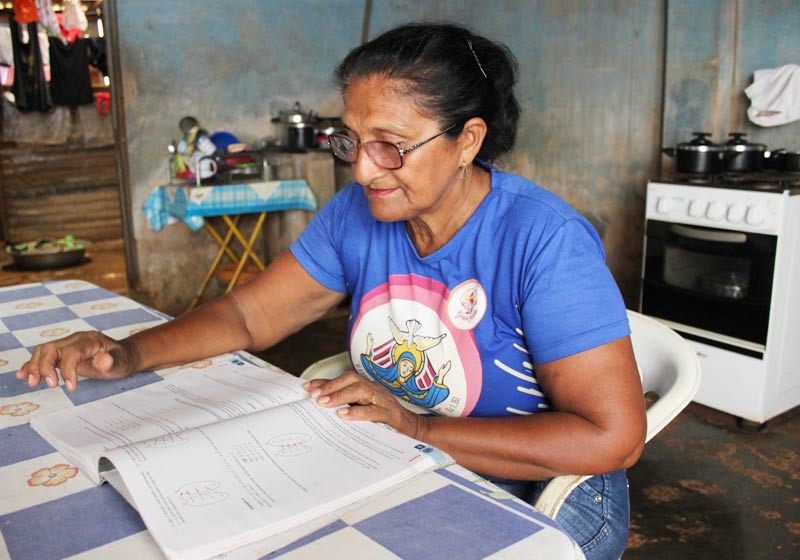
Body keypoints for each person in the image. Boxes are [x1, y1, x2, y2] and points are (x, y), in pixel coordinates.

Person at [17, 22, 646, 560]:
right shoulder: (356, 216)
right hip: (409, 451)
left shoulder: (543, 240)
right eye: (351, 140)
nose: (363, 167)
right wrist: (127, 354)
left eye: (391, 147)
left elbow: (610, 438)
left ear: (469, 141)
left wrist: (419, 432)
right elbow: (246, 315)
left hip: (549, 490)